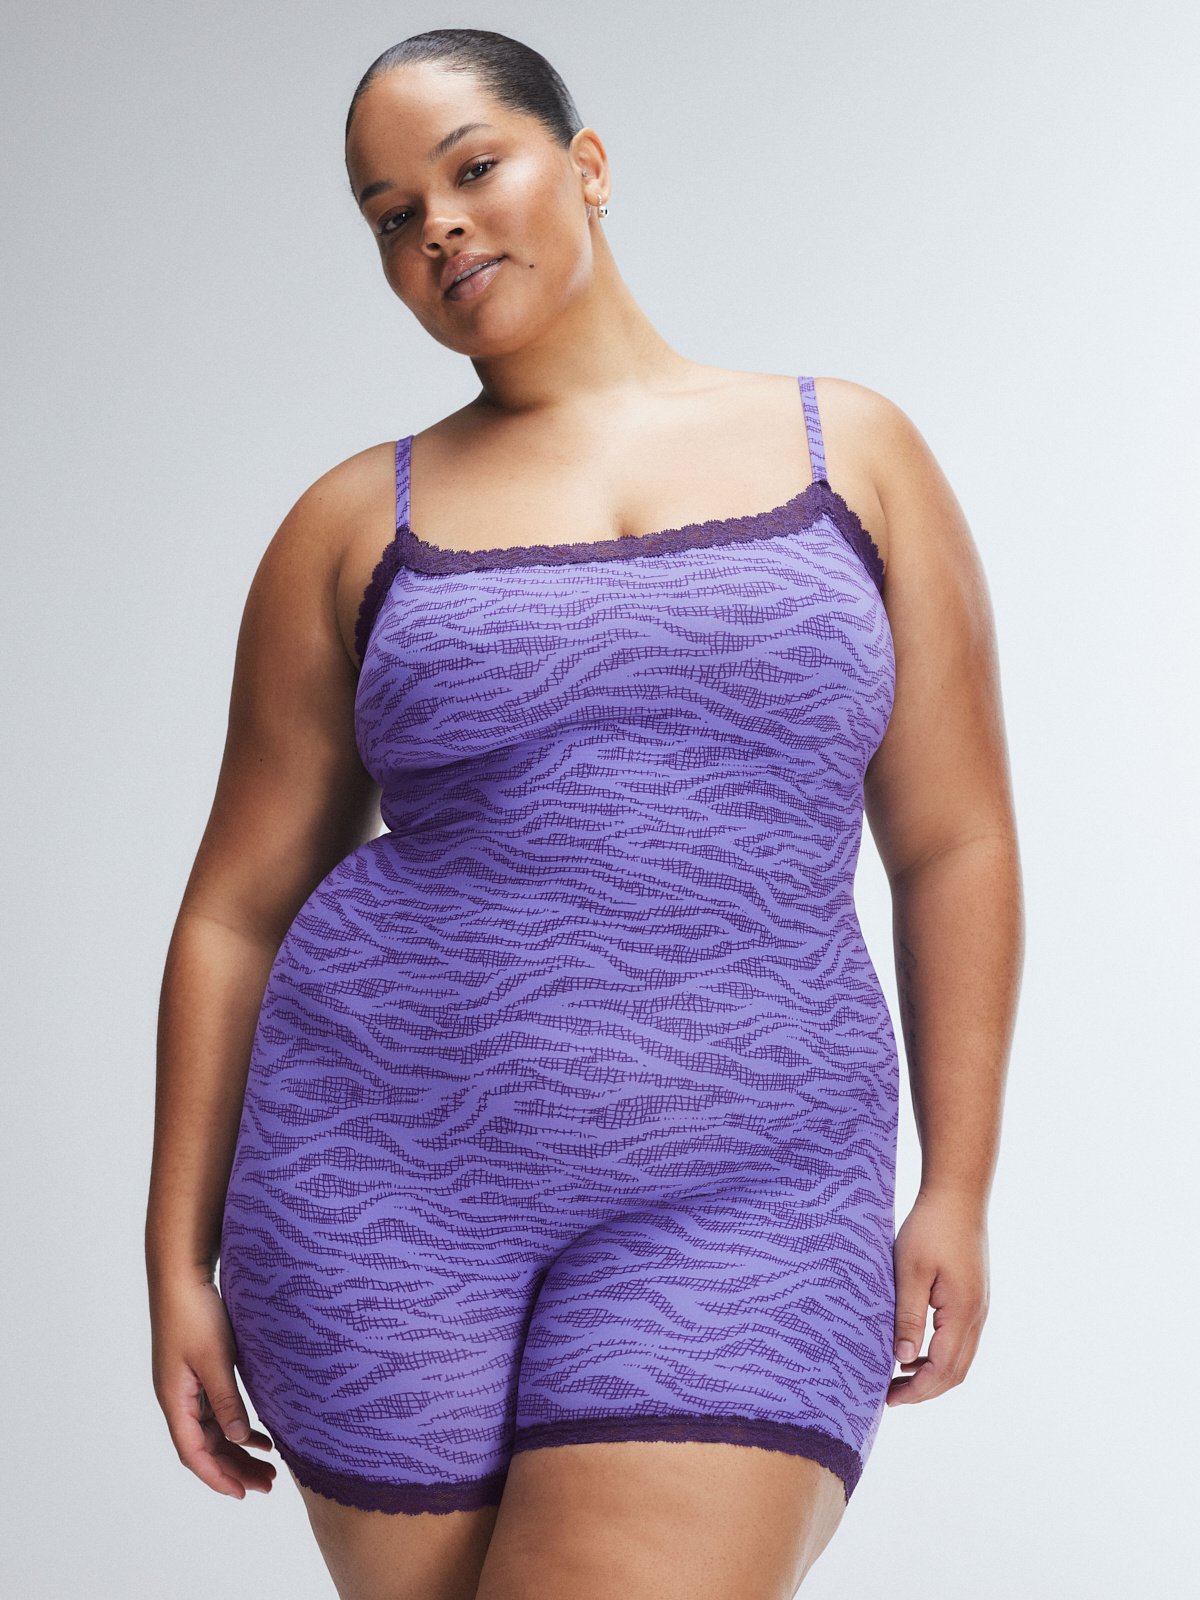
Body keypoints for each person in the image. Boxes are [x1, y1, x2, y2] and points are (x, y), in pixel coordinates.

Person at [145, 26, 1023, 1600]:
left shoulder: (852, 452)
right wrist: (175, 1260)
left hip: (753, 1188)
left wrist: (958, 1182)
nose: (440, 228)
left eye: (473, 168)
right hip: (379, 1194)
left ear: (589, 165)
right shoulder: (350, 526)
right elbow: (233, 909)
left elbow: (955, 842)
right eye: (392, 215)